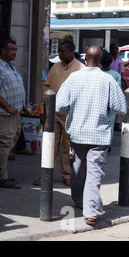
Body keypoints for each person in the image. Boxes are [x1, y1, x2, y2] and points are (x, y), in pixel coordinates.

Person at [56, 45, 126, 225]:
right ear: (101, 60)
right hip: (98, 134)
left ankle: (81, 202)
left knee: (78, 170)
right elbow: (121, 108)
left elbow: (60, 105)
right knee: (94, 173)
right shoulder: (108, 80)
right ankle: (91, 211)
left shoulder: (74, 78)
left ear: (85, 59)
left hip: (78, 132)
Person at [34, 40, 85, 187]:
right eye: (59, 51)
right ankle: (46, 173)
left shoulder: (81, 68)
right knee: (50, 144)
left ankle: (67, 174)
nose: (60, 54)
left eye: (63, 51)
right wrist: (43, 110)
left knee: (68, 147)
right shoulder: (55, 67)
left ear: (71, 51)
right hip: (53, 112)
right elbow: (46, 89)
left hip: (71, 113)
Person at [0, 38, 25, 189]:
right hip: (1, 113)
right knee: (5, 143)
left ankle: (1, 173)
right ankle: (0, 177)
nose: (14, 52)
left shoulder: (11, 66)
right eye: (11, 49)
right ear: (3, 50)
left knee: (10, 141)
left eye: (15, 49)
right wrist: (7, 106)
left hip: (13, 113)